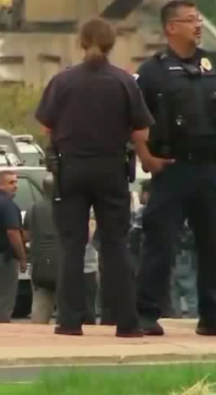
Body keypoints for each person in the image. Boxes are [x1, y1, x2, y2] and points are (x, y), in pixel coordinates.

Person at [133, 0, 216, 337]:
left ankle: (213, 316)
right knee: (160, 243)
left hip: (210, 169)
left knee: (212, 243)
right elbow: (134, 116)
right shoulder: (152, 71)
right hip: (171, 170)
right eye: (190, 20)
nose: (198, 25)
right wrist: (145, 156)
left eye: (198, 19)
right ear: (171, 28)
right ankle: (145, 313)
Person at [34, 17, 155, 338]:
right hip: (111, 168)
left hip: (71, 169)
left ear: (81, 42)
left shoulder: (62, 81)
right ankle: (125, 322)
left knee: (72, 245)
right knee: (115, 244)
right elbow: (141, 130)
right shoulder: (124, 82)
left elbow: (46, 125)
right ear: (112, 44)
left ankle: (70, 321)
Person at [0, 170, 27, 323]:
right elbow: (13, 232)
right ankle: (0, 331)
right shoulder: (8, 204)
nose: (16, 186)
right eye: (11, 182)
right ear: (1, 184)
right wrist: (22, 258)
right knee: (3, 300)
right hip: (5, 258)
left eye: (16, 182)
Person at [26, 174, 64, 325]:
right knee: (65, 305)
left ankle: (37, 334)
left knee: (40, 305)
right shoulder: (67, 208)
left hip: (40, 263)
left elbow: (26, 234)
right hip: (62, 262)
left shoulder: (33, 208)